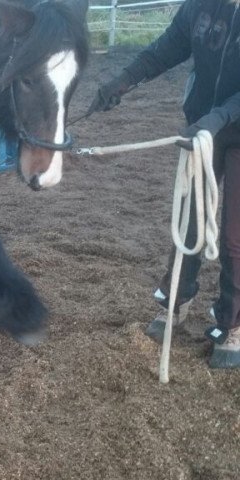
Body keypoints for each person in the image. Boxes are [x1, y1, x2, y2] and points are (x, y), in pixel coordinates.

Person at [87, 0, 240, 368]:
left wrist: (217, 118)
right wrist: (121, 82)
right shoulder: (200, 6)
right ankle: (176, 302)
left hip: (230, 130)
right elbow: (167, 47)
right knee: (188, 219)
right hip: (202, 126)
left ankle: (233, 324)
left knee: (234, 234)